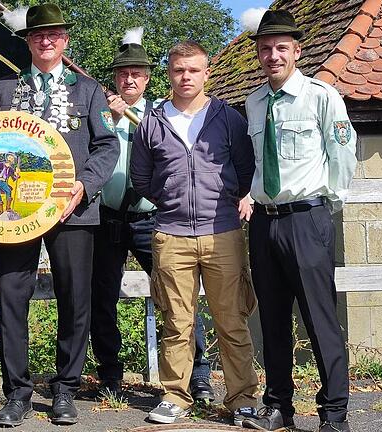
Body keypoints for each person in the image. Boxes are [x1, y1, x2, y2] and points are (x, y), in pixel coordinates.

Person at [0, 4, 119, 427]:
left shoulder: (88, 90)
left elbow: (107, 147)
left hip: (71, 211)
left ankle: (65, 389)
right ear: (27, 41)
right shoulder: (4, 89)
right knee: (10, 298)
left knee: (75, 298)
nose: (47, 40)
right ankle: (16, 393)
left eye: (55, 34)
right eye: (38, 34)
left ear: (65, 40)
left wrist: (84, 185)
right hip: (14, 214)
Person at [130, 40, 259, 425]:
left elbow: (245, 169)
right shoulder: (153, 121)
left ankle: (242, 399)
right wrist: (171, 198)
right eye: (178, 70)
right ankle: (175, 396)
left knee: (232, 319)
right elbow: (141, 178)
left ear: (206, 73)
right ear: (169, 74)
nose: (185, 77)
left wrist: (221, 202)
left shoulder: (228, 118)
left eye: (193, 70)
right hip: (171, 235)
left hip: (223, 233)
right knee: (176, 322)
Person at [242, 10, 357, 432]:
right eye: (266, 48)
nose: (273, 55)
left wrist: (328, 205)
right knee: (272, 319)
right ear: (258, 53)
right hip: (264, 223)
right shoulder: (253, 102)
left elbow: (343, 152)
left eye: (282, 48)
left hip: (306, 219)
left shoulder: (321, 96)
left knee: (319, 318)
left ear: (297, 51)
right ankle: (278, 407)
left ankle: (333, 415)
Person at [90, 30, 214, 403]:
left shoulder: (162, 116)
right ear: (115, 78)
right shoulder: (98, 115)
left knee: (177, 298)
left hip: (151, 219)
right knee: (102, 300)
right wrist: (109, 120)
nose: (130, 79)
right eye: (123, 73)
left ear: (147, 79)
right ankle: (110, 377)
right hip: (107, 217)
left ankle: (198, 377)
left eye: (137, 74)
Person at [0, 148, 20, 216]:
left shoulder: (11, 169)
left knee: (8, 191)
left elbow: (14, 178)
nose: (10, 158)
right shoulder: (1, 164)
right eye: (9, 157)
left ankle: (8, 208)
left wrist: (17, 174)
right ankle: (0, 210)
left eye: (12, 158)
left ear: (13, 161)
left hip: (4, 182)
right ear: (7, 157)